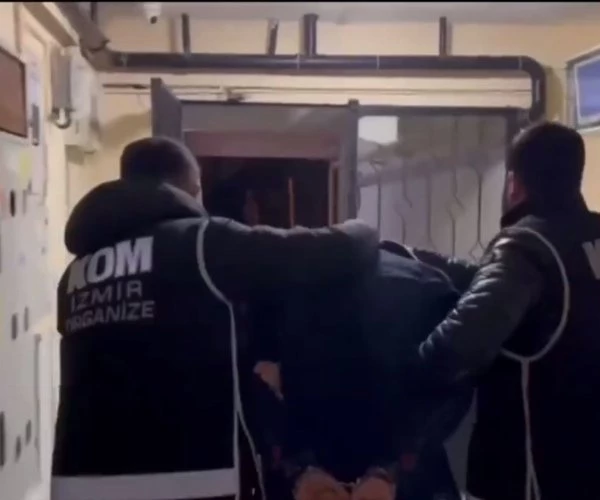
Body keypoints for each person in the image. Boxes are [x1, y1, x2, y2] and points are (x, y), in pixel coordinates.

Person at [52, 136, 379, 500]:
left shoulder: (76, 274)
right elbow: (329, 252)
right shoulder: (199, 244)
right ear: (193, 189)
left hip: (78, 485)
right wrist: (365, 229)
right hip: (188, 482)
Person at [408, 121, 600, 500]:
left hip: (554, 479)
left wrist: (396, 381)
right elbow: (549, 300)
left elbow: (454, 348)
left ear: (514, 184)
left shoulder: (525, 249)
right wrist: (426, 261)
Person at [273, 241, 473, 500]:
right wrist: (392, 467)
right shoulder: (432, 292)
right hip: (401, 462)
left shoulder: (295, 287)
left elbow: (264, 385)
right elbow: (453, 388)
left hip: (324, 461)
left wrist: (301, 469)